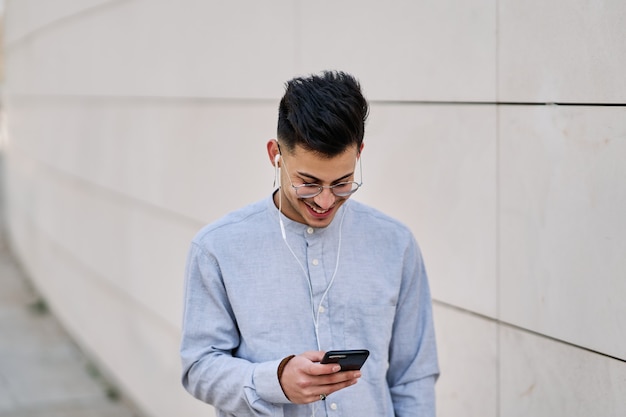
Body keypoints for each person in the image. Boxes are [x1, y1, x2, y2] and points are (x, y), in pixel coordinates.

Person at [180, 70, 439, 416]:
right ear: (276, 154)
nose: (326, 201)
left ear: (359, 153)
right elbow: (198, 367)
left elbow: (414, 377)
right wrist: (274, 380)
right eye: (308, 182)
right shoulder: (216, 248)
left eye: (343, 182)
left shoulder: (396, 244)